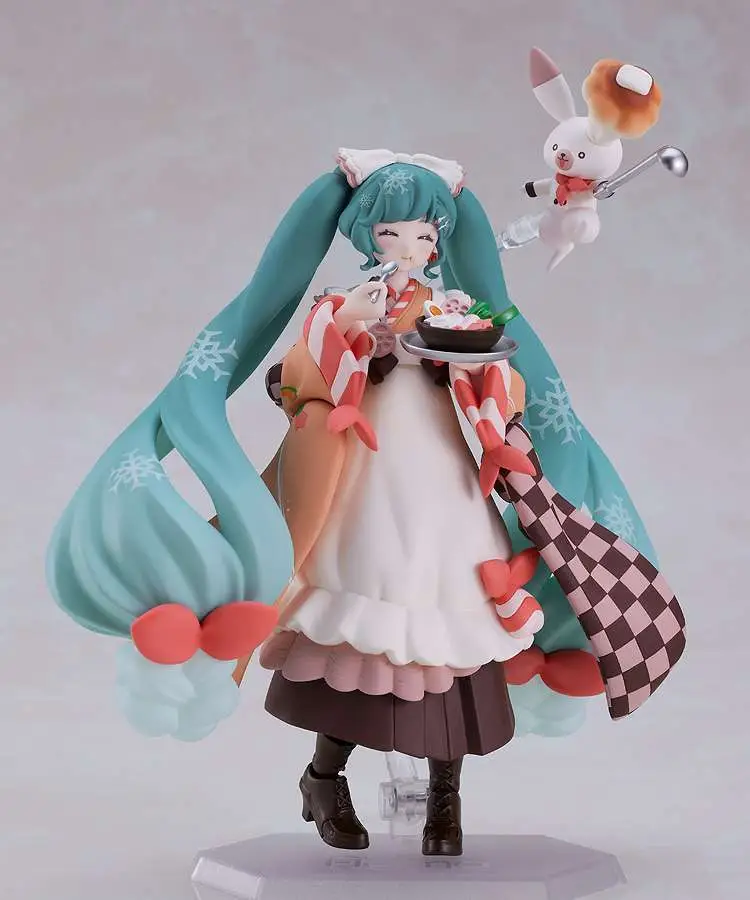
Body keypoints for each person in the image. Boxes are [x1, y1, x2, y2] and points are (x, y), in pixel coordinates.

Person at [47, 148, 685, 857]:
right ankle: (324, 777)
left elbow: (504, 386)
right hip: (363, 482)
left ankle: (446, 798)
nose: (409, 245)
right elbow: (296, 377)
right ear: (366, 237)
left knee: (454, 628)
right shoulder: (339, 304)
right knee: (362, 629)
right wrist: (356, 337)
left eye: (423, 234)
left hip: (446, 485)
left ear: (439, 241)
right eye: (392, 232)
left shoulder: (452, 308)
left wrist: (480, 376)